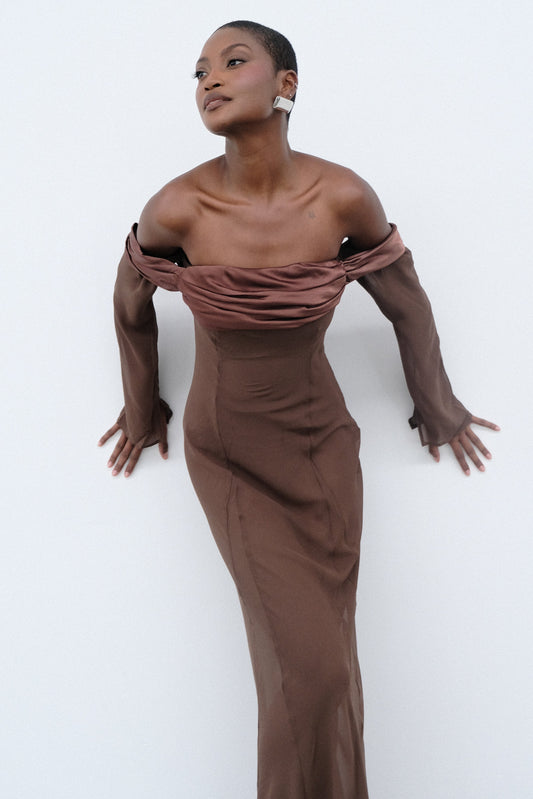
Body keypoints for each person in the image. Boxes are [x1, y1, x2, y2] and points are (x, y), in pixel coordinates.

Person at [98, 20, 498, 799]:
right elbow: (129, 301)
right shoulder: (177, 206)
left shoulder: (341, 195)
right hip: (232, 456)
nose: (209, 80)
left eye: (231, 62)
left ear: (285, 85)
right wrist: (141, 408)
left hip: (323, 448)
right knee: (309, 672)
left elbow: (404, 301)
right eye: (199, 72)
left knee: (332, 662)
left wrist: (437, 404)